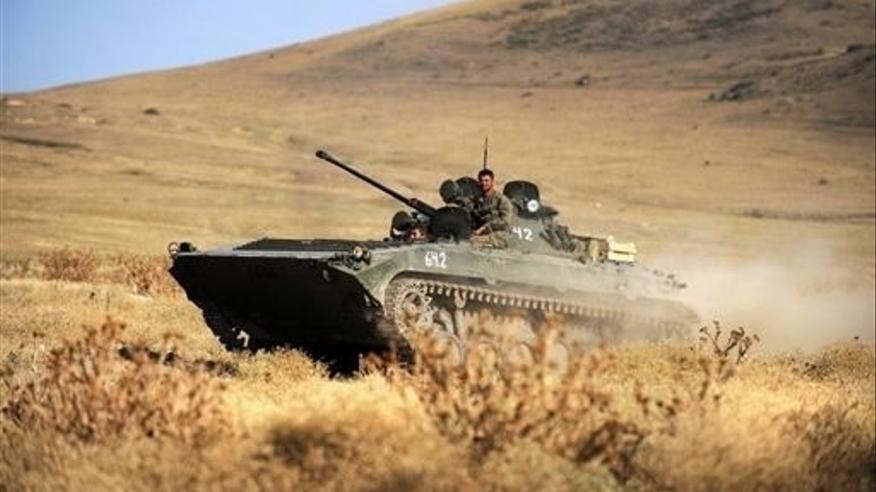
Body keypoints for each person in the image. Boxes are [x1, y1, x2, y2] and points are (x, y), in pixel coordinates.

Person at [472, 169, 513, 236]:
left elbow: (505, 221)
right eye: (481, 181)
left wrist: (485, 228)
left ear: (492, 182)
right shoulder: (477, 200)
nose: (483, 183)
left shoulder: (501, 200)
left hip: (499, 234)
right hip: (480, 233)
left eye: (486, 180)